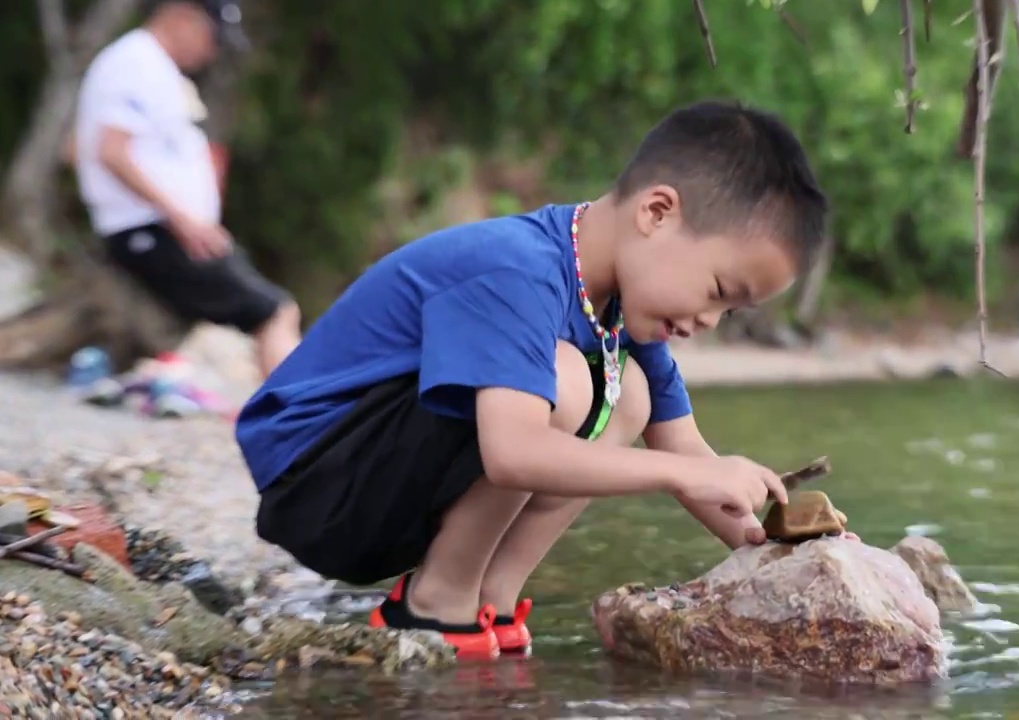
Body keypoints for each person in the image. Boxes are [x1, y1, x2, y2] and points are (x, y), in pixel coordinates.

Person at [235, 100, 839, 657]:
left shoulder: (623, 309)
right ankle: (436, 603)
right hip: (318, 481)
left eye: (730, 311)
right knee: (570, 381)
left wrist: (794, 555)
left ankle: (490, 598)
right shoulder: (517, 268)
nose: (708, 320)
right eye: (717, 291)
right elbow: (514, 453)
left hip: (382, 485)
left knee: (630, 395)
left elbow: (688, 457)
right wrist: (689, 472)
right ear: (657, 212)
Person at [72, 0, 301, 380]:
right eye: (213, 38)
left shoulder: (152, 67)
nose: (213, 51)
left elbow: (76, 147)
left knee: (270, 307)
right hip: (153, 230)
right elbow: (111, 151)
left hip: (161, 228)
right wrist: (183, 219)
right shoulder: (136, 62)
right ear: (182, 16)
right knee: (275, 310)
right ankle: (299, 418)